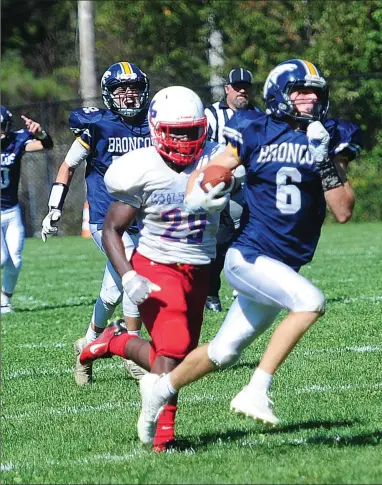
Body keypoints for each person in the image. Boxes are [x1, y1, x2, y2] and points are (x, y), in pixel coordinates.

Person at [86, 57, 362, 436]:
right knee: (310, 301)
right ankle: (255, 390)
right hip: (248, 255)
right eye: (300, 93)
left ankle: (159, 389)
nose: (309, 101)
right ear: (280, 95)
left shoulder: (328, 134)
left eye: (315, 94)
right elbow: (210, 173)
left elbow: (343, 211)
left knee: (223, 353)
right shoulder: (253, 130)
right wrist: (207, 189)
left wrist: (324, 159)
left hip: (276, 265)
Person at [78, 86, 230, 451]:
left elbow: (245, 179)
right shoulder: (141, 166)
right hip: (156, 264)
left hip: (198, 267)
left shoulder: (215, 158)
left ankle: (113, 342)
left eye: (189, 131)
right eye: (174, 131)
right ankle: (163, 440)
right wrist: (128, 275)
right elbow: (111, 228)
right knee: (175, 349)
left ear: (203, 130)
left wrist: (227, 183)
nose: (182, 140)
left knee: (178, 354)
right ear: (156, 128)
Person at [41, 62, 151, 384]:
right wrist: (54, 208)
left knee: (111, 292)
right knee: (133, 271)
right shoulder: (97, 126)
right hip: (108, 221)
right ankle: (133, 350)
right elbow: (67, 166)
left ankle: (88, 345)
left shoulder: (152, 126)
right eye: (121, 89)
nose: (128, 95)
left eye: (133, 89)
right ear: (108, 93)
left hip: (142, 219)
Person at [204, 68, 258, 312]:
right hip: (218, 185)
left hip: (248, 186)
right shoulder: (210, 115)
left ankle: (243, 290)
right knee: (218, 242)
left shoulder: (258, 116)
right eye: (237, 86)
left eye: (246, 86)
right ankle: (211, 292)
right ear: (227, 88)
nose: (242, 91)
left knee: (247, 240)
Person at [1, 106, 54, 314]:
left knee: (15, 258)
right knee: (2, 258)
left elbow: (46, 145)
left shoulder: (16, 140)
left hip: (11, 210)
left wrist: (39, 132)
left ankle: (5, 300)